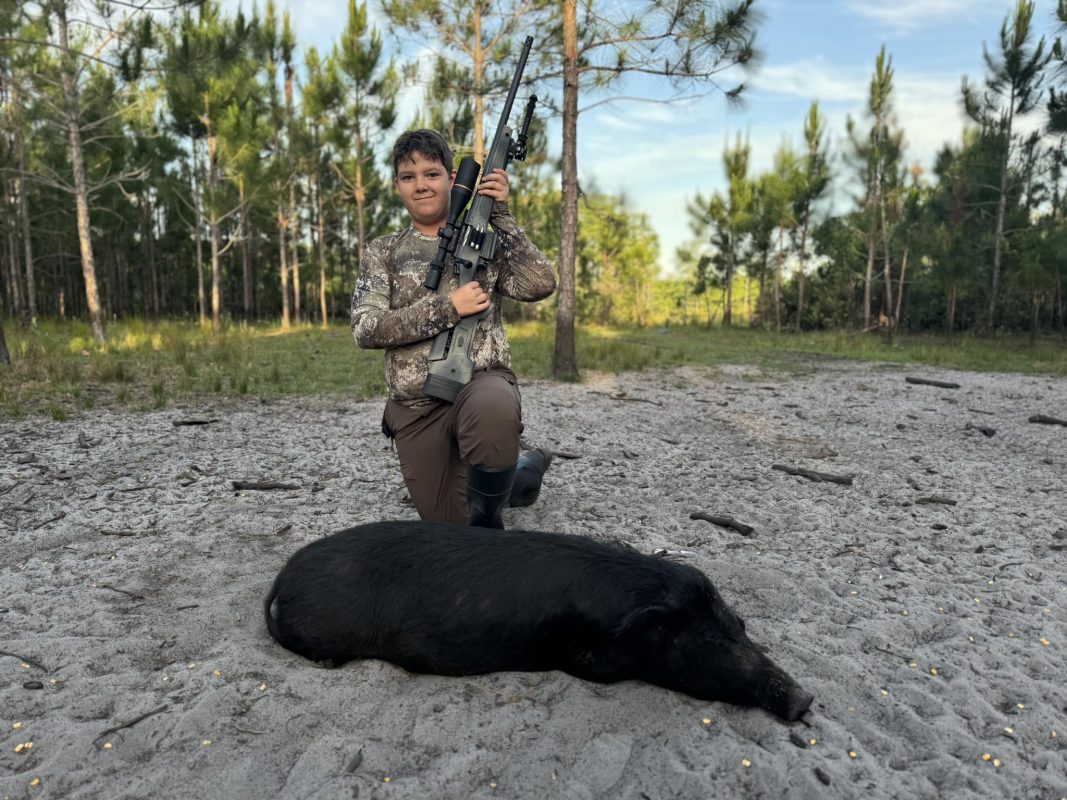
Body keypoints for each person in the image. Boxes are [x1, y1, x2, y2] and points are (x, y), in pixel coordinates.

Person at [351, 129, 557, 529]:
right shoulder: (383, 250)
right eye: (408, 177)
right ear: (397, 185)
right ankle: (523, 470)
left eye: (432, 173)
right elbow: (366, 328)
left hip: (479, 389)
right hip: (416, 409)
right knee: (448, 528)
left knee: (492, 410)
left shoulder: (485, 243)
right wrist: (448, 307)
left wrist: (501, 215)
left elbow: (540, 283)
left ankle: (493, 507)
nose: (421, 185)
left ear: (452, 179)